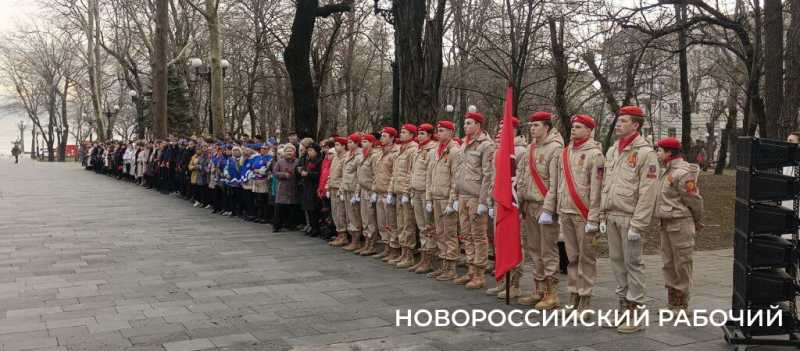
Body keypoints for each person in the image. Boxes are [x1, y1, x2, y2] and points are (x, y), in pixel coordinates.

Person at [599, 105, 659, 333]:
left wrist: (639, 223)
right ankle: (623, 308)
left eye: (624, 121)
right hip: (613, 213)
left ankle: (636, 313)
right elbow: (607, 184)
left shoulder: (645, 153)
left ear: (635, 125)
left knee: (633, 264)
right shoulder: (613, 150)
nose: (619, 124)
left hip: (630, 217)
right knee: (616, 262)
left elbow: (648, 191)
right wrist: (603, 213)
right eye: (618, 120)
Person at [512, 112, 563, 308]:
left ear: (547, 127)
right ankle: (538, 289)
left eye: (536, 125)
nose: (532, 128)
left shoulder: (555, 150)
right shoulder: (530, 148)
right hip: (530, 205)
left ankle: (551, 293)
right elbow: (523, 176)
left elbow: (555, 182)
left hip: (544, 206)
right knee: (534, 249)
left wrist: (549, 209)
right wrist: (521, 200)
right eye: (531, 125)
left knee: (547, 250)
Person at [556, 114, 605, 312]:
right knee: (572, 257)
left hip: (583, 214)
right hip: (566, 211)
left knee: (586, 258)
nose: (574, 129)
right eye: (573, 126)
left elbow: (597, 189)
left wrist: (594, 216)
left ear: (589, 130)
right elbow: (560, 182)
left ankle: (585, 297)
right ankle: (574, 293)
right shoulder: (565, 152)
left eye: (578, 127)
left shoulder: (595, 155)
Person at [653, 137, 703, 314]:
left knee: (681, 264)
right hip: (666, 222)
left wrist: (697, 220)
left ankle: (682, 305)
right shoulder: (666, 171)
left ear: (669, 153)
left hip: (680, 222)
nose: (657, 153)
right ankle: (672, 303)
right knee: (668, 263)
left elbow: (694, 200)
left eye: (659, 150)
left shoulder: (683, 172)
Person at [454, 111, 495, 290]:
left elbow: (488, 175)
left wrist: (483, 201)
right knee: (467, 235)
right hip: (463, 195)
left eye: (469, 123)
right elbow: (459, 171)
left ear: (478, 125)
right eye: (465, 123)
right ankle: (471, 270)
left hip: (476, 196)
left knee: (479, 236)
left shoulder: (486, 145)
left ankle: (479, 273)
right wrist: (456, 195)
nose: (465, 126)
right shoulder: (464, 143)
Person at [426, 120, 460, 281]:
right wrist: (428, 198)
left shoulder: (454, 151)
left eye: (442, 130)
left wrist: (452, 201)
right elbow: (429, 176)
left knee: (450, 233)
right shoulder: (435, 151)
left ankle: (451, 267)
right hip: (436, 196)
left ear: (451, 133)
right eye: (438, 130)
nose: (438, 133)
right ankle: (443, 264)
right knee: (439, 232)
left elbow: (456, 179)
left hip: (447, 198)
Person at [389, 124, 419, 268]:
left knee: (408, 224)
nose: (401, 134)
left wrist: (408, 192)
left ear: (412, 135)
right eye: (401, 131)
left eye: (404, 132)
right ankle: (403, 251)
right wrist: (391, 191)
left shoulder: (413, 150)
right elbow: (394, 173)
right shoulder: (401, 149)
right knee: (400, 223)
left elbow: (411, 172)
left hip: (405, 192)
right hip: (398, 190)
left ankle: (409, 255)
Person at [408, 124, 437, 273]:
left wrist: (428, 198)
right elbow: (412, 172)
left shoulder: (432, 150)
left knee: (428, 227)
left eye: (423, 134)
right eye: (418, 134)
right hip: (417, 192)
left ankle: (429, 259)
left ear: (430, 135)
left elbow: (430, 175)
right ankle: (423, 257)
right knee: (421, 226)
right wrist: (412, 192)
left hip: (425, 193)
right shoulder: (418, 150)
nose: (419, 136)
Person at [373, 128, 400, 260]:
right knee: (382, 223)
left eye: (384, 136)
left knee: (391, 223)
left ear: (392, 138)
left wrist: (390, 191)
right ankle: (386, 247)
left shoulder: (396, 152)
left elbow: (395, 174)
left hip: (388, 193)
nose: (381, 138)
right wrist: (374, 188)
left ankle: (394, 248)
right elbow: (376, 173)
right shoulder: (380, 153)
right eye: (381, 136)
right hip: (379, 191)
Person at [355, 134, 380, 255]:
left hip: (370, 190)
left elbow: (376, 175)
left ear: (372, 143)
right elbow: (359, 176)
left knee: (370, 218)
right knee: (364, 218)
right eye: (362, 142)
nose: (363, 144)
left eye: (365, 141)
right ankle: (366, 241)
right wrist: (356, 192)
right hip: (363, 190)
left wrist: (374, 191)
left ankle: (372, 243)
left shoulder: (374, 156)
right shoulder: (362, 156)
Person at [341, 134, 363, 251]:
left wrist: (357, 191)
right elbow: (344, 173)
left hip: (354, 188)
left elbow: (360, 175)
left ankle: (357, 240)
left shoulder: (359, 156)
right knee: (350, 216)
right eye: (348, 142)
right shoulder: (348, 154)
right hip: (347, 187)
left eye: (351, 142)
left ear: (356, 143)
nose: (348, 144)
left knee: (355, 216)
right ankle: (353, 238)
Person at [327, 137, 349, 246]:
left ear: (344, 146)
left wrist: (341, 188)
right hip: (332, 187)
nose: (335, 147)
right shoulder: (335, 158)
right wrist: (328, 185)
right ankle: (339, 234)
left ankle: (343, 236)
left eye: (337, 145)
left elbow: (345, 175)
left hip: (340, 189)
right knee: (335, 213)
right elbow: (332, 173)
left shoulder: (345, 158)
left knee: (341, 213)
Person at [272, 144, 299, 232]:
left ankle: (291, 225)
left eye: (291, 151)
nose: (289, 153)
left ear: (294, 152)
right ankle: (277, 226)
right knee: (279, 208)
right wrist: (283, 174)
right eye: (287, 151)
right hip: (282, 187)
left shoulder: (297, 162)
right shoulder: (280, 162)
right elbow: (275, 172)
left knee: (292, 208)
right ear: (284, 152)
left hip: (293, 187)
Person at [299, 143, 323, 237]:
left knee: (314, 209)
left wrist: (308, 174)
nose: (309, 152)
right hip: (307, 186)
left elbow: (319, 174)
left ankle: (316, 228)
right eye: (308, 150)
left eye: (311, 150)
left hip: (314, 186)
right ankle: (312, 226)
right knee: (308, 209)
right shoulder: (308, 160)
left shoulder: (319, 160)